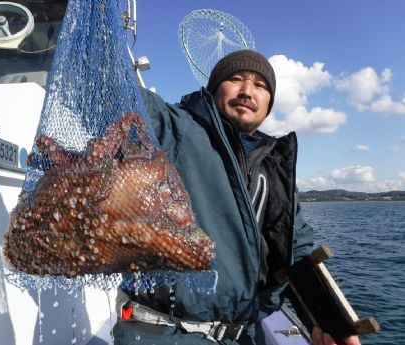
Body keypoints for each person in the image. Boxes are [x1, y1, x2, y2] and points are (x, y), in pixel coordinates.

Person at [112, 50, 360, 345]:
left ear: (269, 103)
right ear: (215, 88)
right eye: (235, 79)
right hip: (166, 333)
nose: (247, 91)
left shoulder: (274, 165)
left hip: (247, 336)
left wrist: (334, 324)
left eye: (260, 85)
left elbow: (299, 251)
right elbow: (118, 94)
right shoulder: (176, 129)